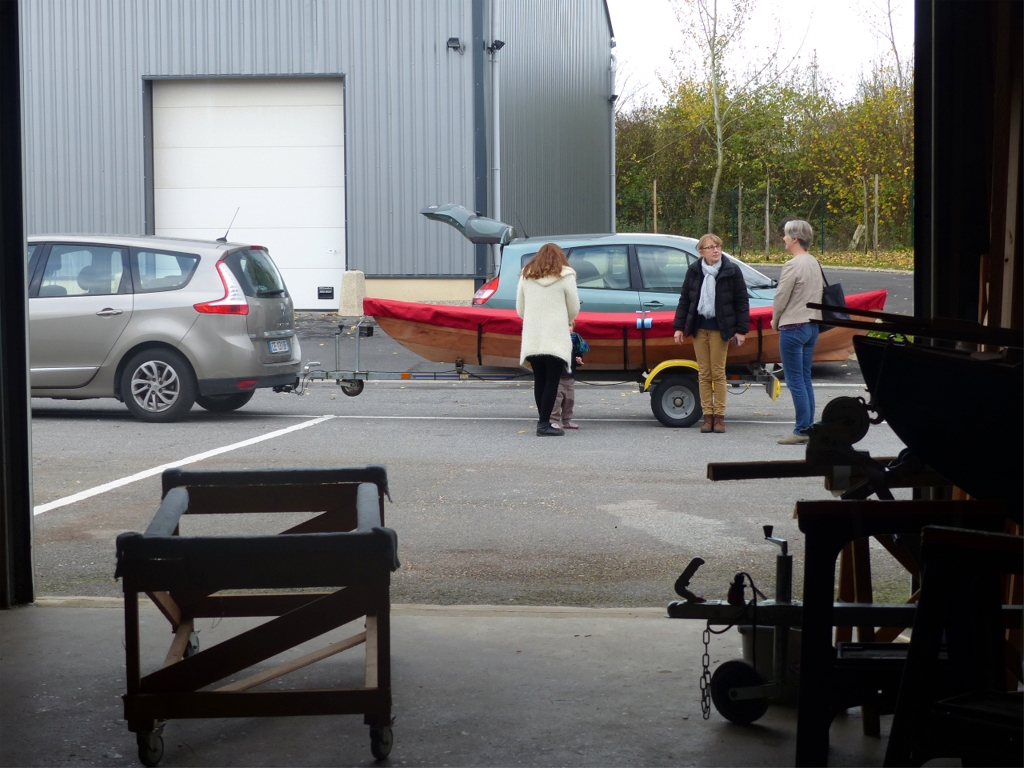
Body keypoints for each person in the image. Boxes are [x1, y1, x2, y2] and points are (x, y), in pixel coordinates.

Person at [672, 234, 750, 433]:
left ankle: (720, 417)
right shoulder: (694, 271)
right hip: (699, 328)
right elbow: (685, 300)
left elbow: (742, 302)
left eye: (718, 246)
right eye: (711, 247)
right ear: (701, 252)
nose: (716, 250)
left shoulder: (731, 270)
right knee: (704, 373)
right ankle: (707, 417)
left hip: (720, 329)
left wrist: (741, 330)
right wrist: (679, 327)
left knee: (718, 372)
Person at [517, 243, 581, 436]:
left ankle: (543, 421)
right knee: (553, 380)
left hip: (533, 336)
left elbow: (521, 309)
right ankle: (544, 425)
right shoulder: (566, 276)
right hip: (555, 337)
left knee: (540, 380)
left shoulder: (526, 275)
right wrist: (563, 317)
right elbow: (574, 308)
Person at [772, 219, 824, 445]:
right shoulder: (813, 262)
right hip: (812, 325)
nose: (783, 239)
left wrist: (775, 320)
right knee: (805, 378)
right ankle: (809, 427)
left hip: (793, 326)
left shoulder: (793, 264)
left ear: (795, 239)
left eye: (785, 235)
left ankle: (802, 429)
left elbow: (781, 297)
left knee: (795, 381)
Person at [549, 321, 589, 430]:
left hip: (570, 378)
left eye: (570, 325)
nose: (568, 328)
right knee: (556, 401)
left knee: (569, 400)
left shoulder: (575, 342)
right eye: (564, 325)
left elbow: (578, 356)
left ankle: (567, 420)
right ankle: (553, 420)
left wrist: (579, 360)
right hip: (558, 378)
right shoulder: (557, 341)